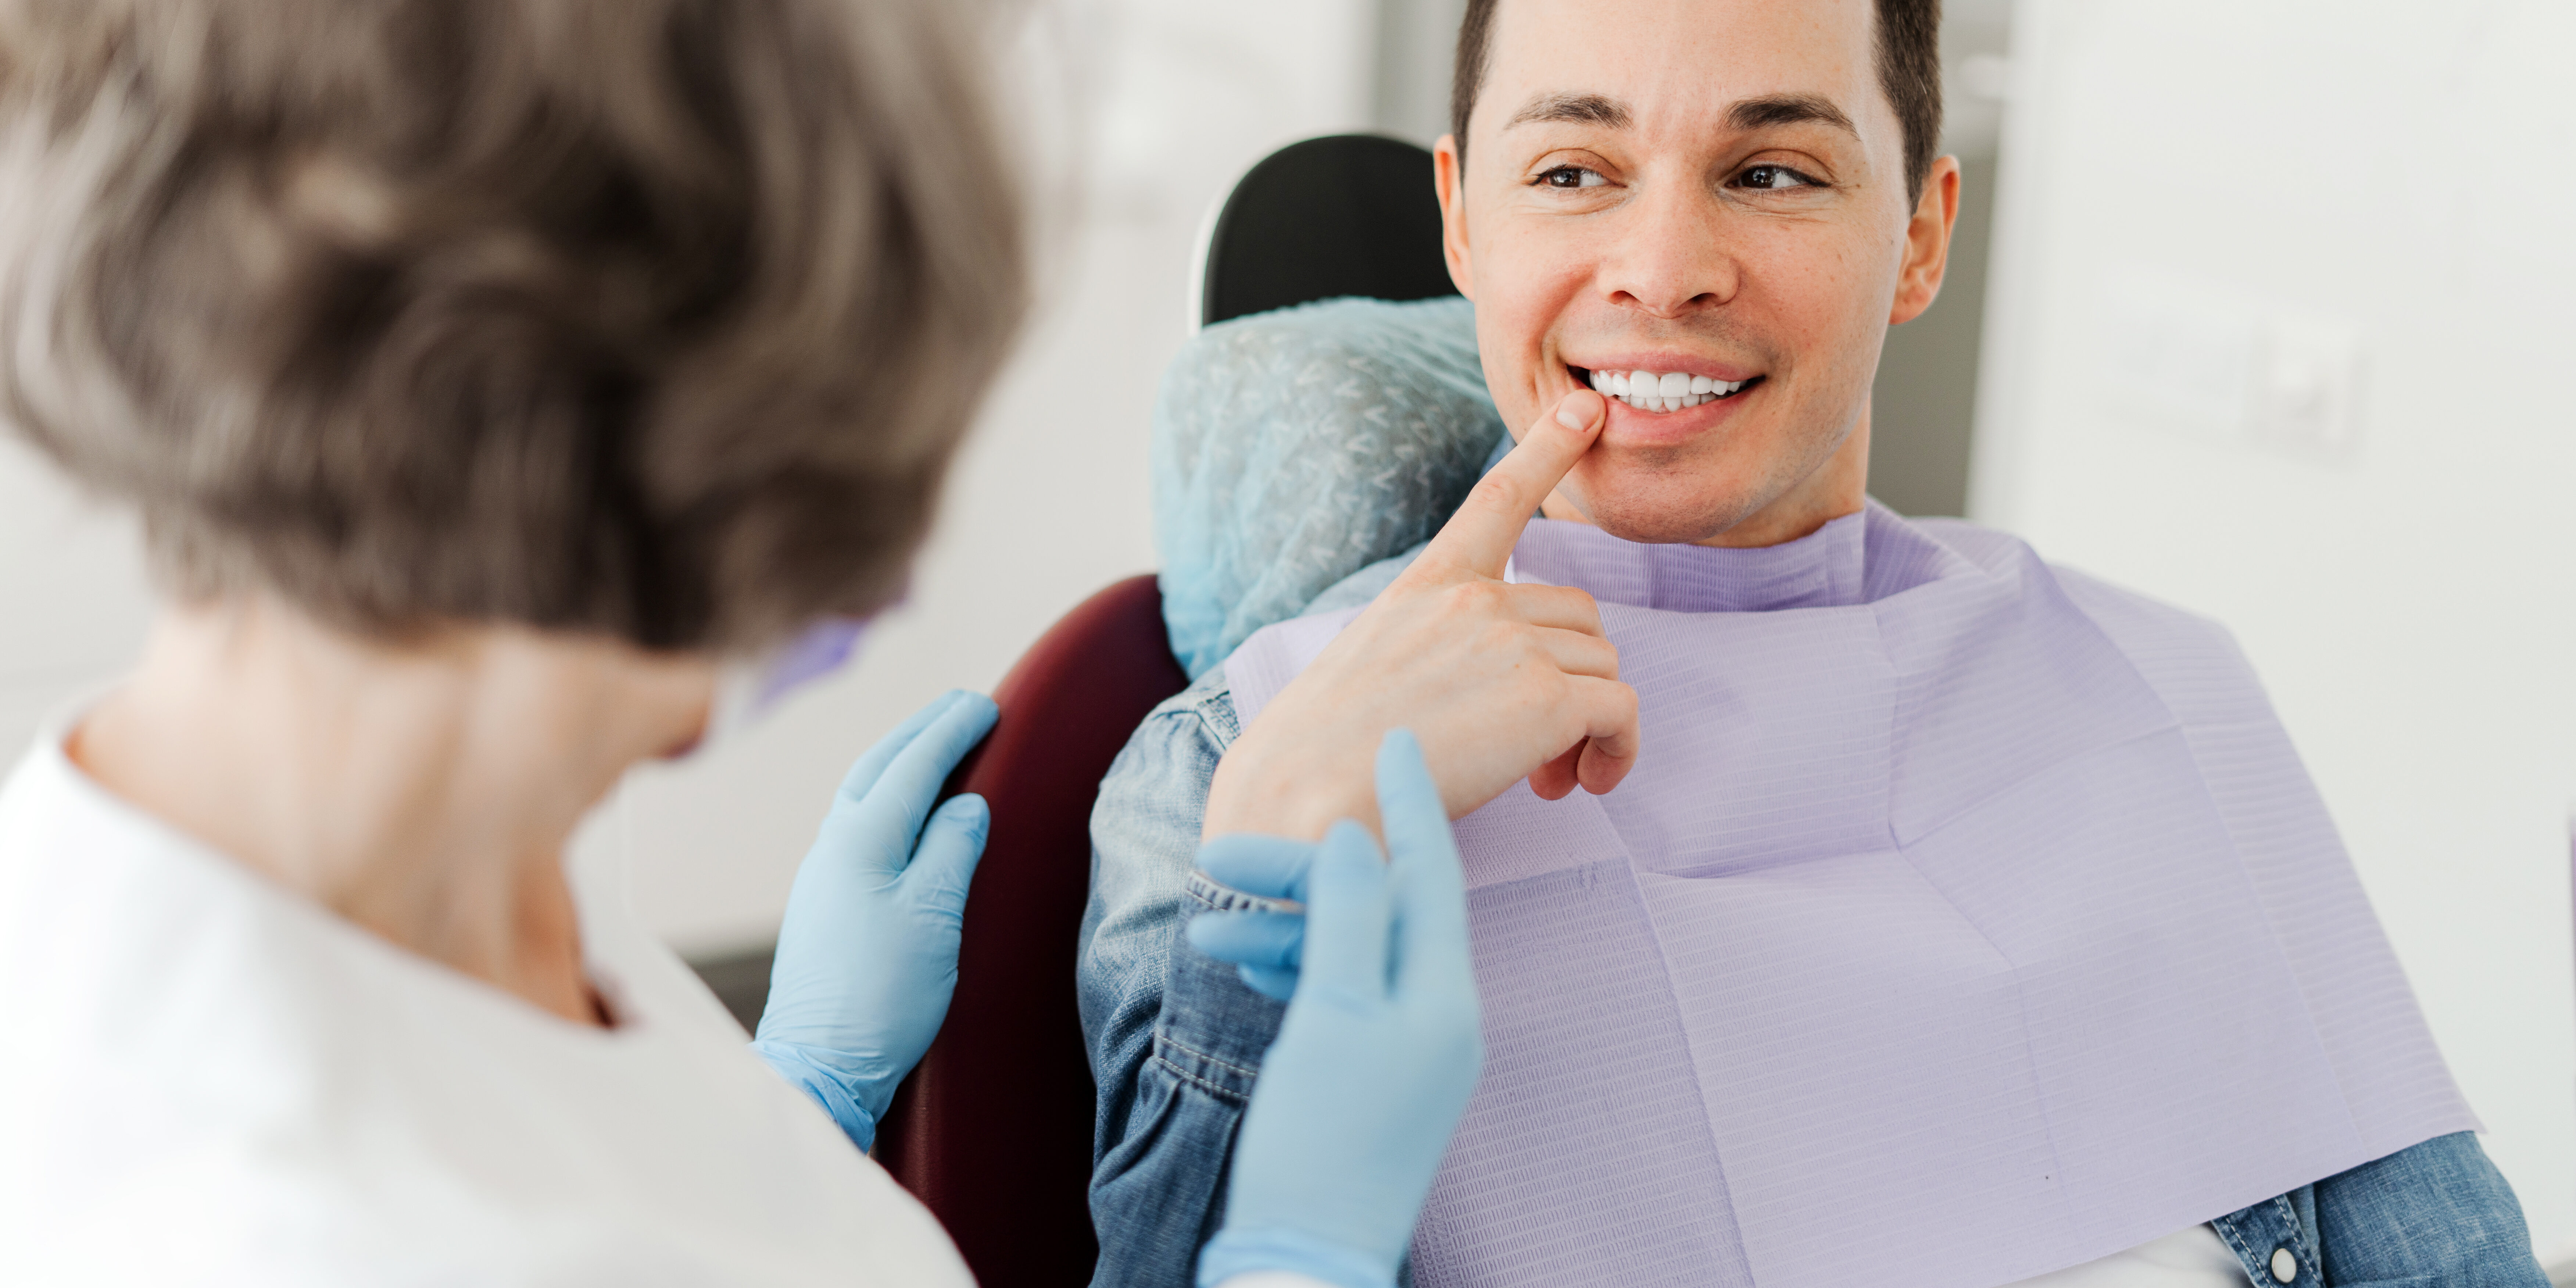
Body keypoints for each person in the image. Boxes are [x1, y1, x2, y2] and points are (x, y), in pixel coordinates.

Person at [0, 4, 1510, 1287]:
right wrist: (1294, 1257)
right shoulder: (301, 1225)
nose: (881, 577)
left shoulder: (396, 836)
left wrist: (790, 1104)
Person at [1077, 0, 2552, 1285]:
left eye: (1771, 170)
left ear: (1919, 237)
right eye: (1574, 171)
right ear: (1466, 220)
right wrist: (1277, 853)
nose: (1662, 268)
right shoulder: (1239, 773)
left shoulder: (2159, 687)